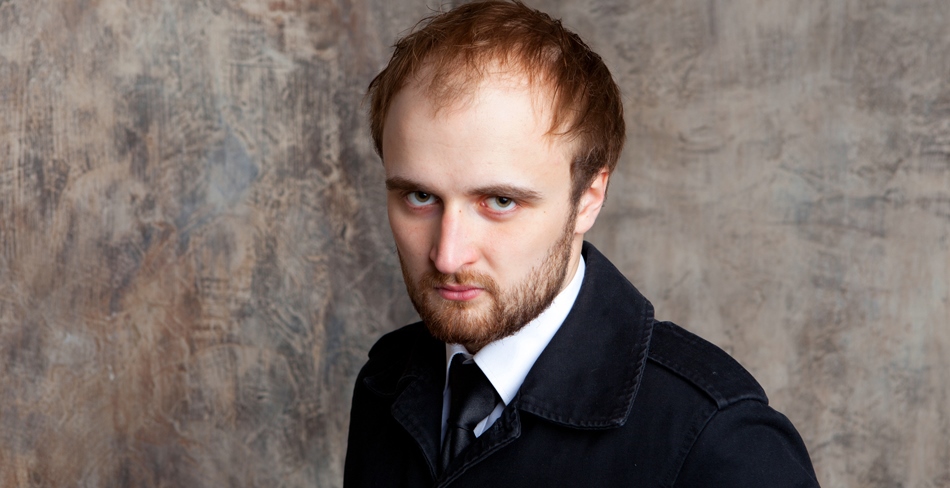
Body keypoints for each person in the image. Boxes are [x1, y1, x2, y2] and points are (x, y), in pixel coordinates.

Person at [344, 1, 820, 486]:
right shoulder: (385, 382)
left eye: (501, 202)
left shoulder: (720, 441)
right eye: (420, 196)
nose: (447, 255)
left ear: (589, 198)